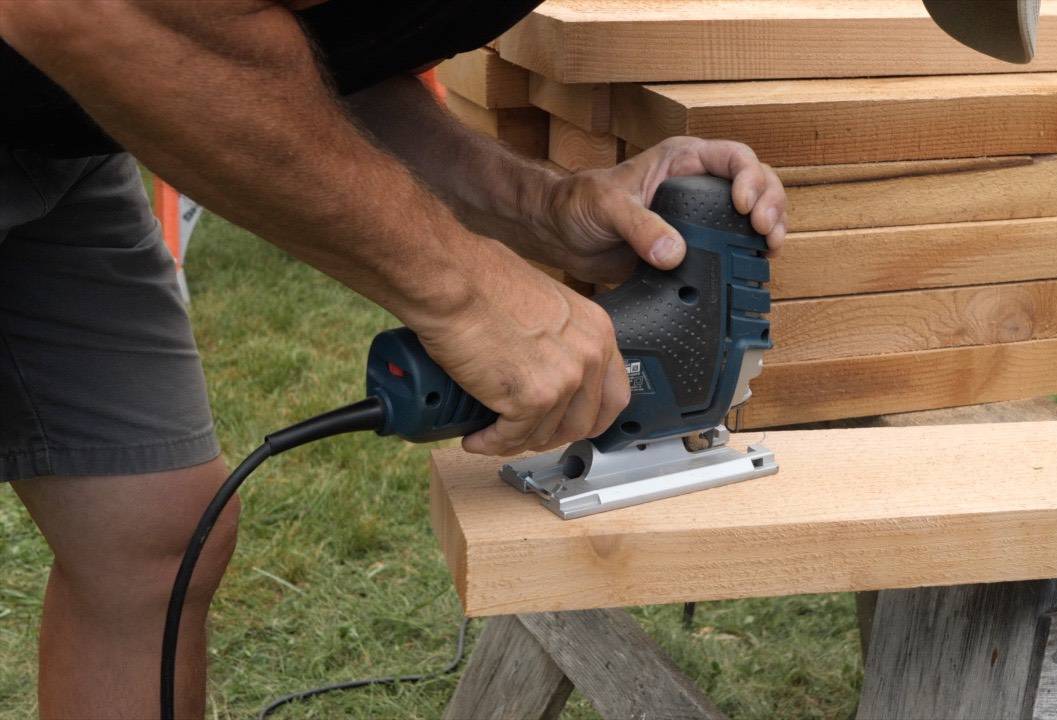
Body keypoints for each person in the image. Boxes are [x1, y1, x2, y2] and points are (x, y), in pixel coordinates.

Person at [0, 1, 787, 717]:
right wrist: (462, 291)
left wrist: (538, 206)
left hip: (59, 123)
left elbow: (288, 58)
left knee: (149, 535)